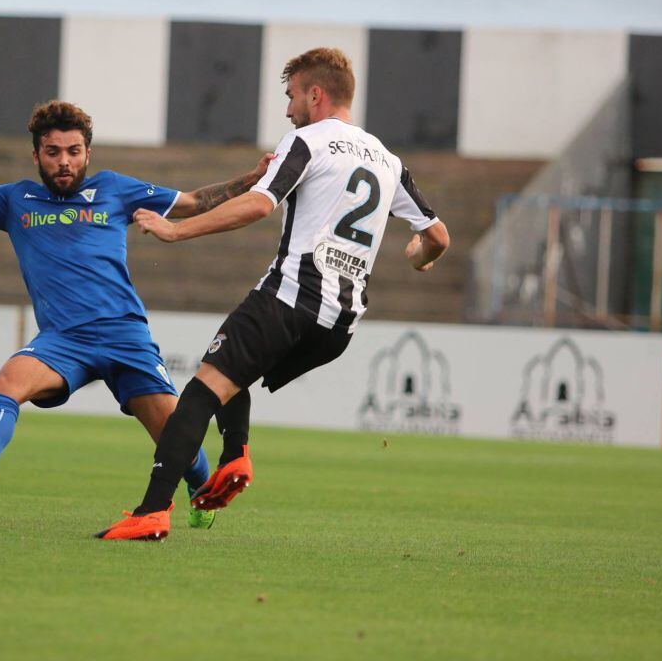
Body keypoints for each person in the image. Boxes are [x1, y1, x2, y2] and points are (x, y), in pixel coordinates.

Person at [0, 93, 272, 530]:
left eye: (73, 152)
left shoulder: (115, 189)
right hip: (63, 341)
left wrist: (252, 179)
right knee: (6, 382)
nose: (64, 161)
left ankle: (200, 489)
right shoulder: (14, 200)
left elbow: (194, 202)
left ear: (87, 153)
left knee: (173, 430)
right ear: (37, 155)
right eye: (53, 152)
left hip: (125, 337)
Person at [96, 47, 450, 540]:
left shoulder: (307, 141)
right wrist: (419, 258)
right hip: (338, 327)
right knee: (231, 369)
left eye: (291, 97)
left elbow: (259, 205)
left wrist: (177, 231)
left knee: (198, 394)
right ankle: (235, 455)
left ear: (316, 94)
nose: (288, 110)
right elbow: (437, 236)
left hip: (290, 298)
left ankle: (153, 512)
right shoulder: (390, 161)